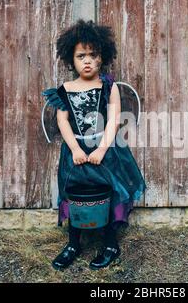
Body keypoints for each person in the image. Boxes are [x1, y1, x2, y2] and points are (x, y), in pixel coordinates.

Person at [41, 19, 146, 271]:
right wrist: (76, 149)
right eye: (81, 56)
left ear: (103, 57)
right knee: (75, 191)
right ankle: (73, 243)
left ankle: (110, 243)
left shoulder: (108, 87)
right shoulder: (65, 89)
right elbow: (62, 121)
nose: (87, 60)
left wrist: (101, 149)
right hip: (75, 151)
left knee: (107, 191)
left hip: (106, 150)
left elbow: (113, 121)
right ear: (71, 59)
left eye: (93, 55)